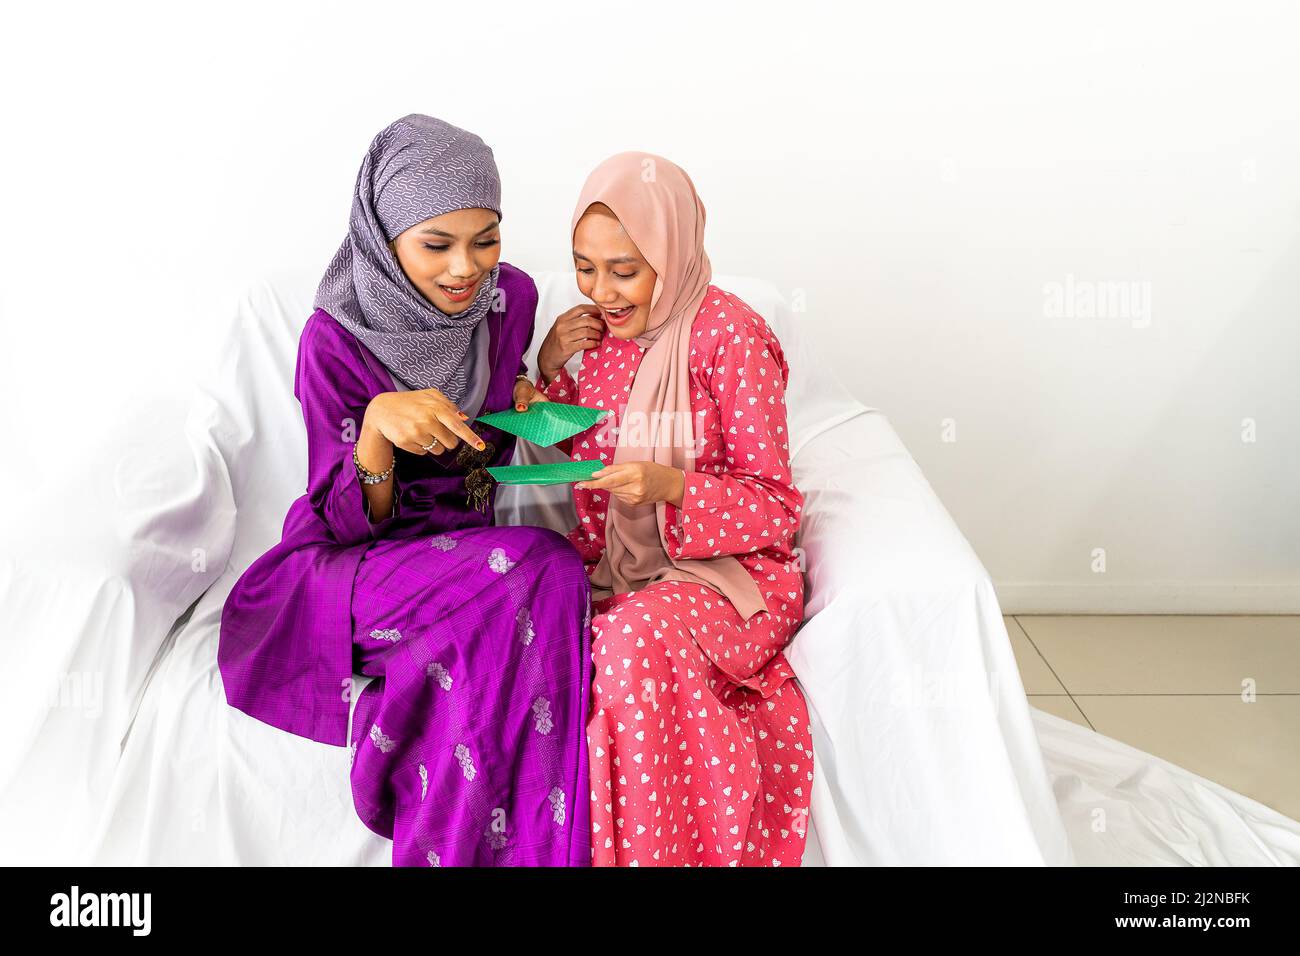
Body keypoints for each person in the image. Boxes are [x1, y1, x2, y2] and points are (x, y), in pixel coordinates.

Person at [218, 114, 591, 867]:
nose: (466, 269)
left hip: (472, 559)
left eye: (485, 239)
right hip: (355, 570)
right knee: (546, 566)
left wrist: (541, 369)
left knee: (536, 589)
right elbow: (346, 523)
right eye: (436, 245)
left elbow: (502, 438)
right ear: (384, 239)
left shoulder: (508, 299)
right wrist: (376, 436)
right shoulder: (334, 339)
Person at [534, 152, 813, 866]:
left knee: (626, 648)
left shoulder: (731, 339)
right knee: (517, 627)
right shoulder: (592, 338)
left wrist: (672, 488)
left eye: (624, 268)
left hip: (730, 576)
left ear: (671, 248)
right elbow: (572, 465)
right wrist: (543, 379)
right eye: (584, 266)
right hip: (614, 569)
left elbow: (776, 507)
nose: (601, 290)